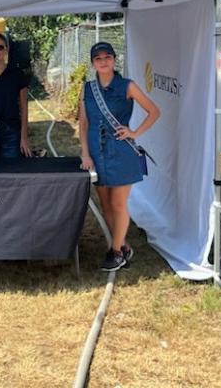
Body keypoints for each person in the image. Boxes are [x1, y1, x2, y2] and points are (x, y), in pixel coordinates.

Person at [79, 42, 160, 272]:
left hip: (121, 152)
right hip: (96, 152)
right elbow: (83, 123)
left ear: (114, 60)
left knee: (118, 203)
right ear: (93, 62)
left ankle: (114, 252)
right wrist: (85, 153)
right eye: (98, 58)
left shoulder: (127, 86)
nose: (103, 61)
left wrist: (134, 132)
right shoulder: (87, 89)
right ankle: (123, 246)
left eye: (107, 57)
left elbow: (154, 111)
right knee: (105, 204)